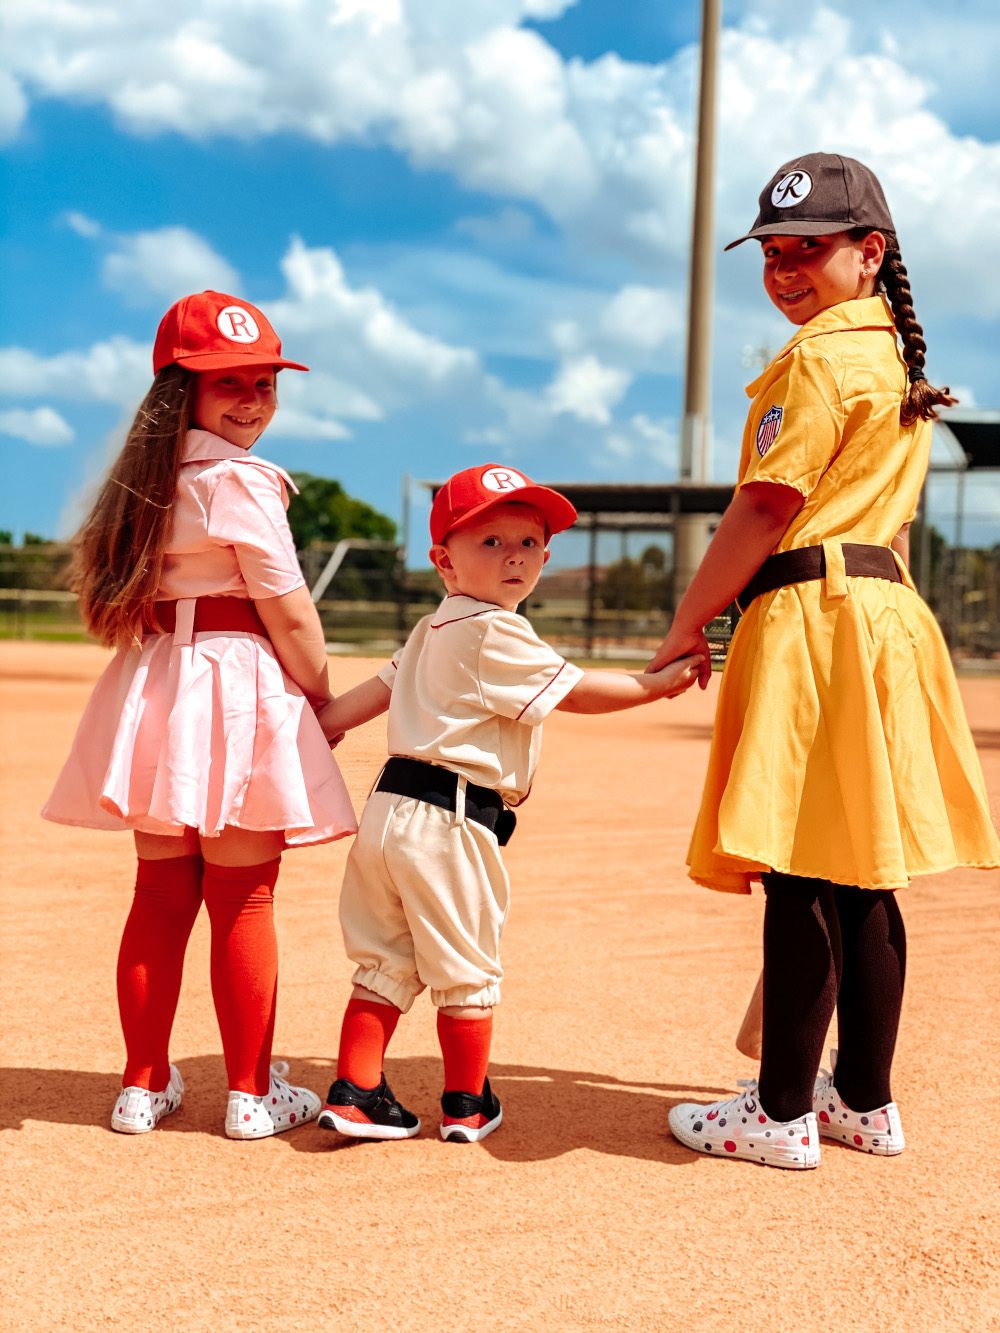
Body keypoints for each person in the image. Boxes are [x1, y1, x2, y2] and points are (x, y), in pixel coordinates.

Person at [650, 153, 1000, 1169]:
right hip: (883, 614)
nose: (785, 267)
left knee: (802, 864)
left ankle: (777, 1110)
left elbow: (763, 507)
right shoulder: (893, 361)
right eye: (771, 251)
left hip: (812, 612)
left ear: (869, 252)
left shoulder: (811, 361)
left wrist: (688, 619)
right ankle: (864, 1100)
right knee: (863, 873)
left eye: (808, 247)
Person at [43, 290, 358, 1139]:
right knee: (245, 899)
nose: (253, 399)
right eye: (231, 384)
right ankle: (252, 1094)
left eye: (264, 381)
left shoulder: (139, 484)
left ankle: (142, 1087)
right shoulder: (242, 480)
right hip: (234, 686)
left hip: (158, 688)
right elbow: (288, 609)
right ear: (181, 391)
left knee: (157, 895)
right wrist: (322, 697)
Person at [311, 464, 704, 1143]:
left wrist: (321, 723)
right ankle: (465, 1102)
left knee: (384, 956)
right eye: (489, 542)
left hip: (387, 813)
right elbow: (575, 691)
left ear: (547, 556)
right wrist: (654, 685)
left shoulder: (429, 628)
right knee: (465, 962)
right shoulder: (495, 629)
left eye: (528, 541)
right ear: (444, 559)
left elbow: (372, 694)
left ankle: (357, 1089)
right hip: (451, 820)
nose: (514, 554)